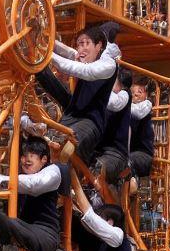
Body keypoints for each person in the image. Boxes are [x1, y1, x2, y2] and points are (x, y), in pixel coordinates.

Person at [0, 136, 68, 251]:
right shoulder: (19, 177)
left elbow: (34, 185)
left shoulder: (53, 171)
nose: (26, 159)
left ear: (44, 159)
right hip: (24, 231)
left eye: (32, 154)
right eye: (23, 155)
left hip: (45, 234)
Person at [35, 26, 118, 164]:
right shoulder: (86, 58)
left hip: (90, 122)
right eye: (80, 44)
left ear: (99, 46)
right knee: (44, 146)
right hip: (71, 116)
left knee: (67, 144)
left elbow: (84, 70)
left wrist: (45, 52)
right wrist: (39, 37)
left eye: (86, 43)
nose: (82, 48)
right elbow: (68, 52)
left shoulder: (108, 65)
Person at [95, 67, 132, 185]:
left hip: (115, 153)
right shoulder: (105, 99)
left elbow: (114, 103)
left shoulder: (124, 95)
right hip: (97, 151)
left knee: (97, 170)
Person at [127, 75, 155, 188]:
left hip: (143, 154)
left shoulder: (146, 105)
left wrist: (124, 104)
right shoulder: (128, 107)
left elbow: (138, 113)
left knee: (127, 161)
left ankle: (131, 183)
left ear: (146, 94)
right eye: (133, 91)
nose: (136, 94)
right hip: (127, 152)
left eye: (140, 91)